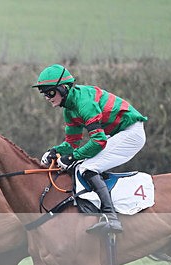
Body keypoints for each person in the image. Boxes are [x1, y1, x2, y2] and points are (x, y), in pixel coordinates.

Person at [34, 64, 148, 234]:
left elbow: (99, 141)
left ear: (63, 88)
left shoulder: (84, 103)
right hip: (117, 134)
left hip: (131, 133)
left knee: (87, 167)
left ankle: (111, 218)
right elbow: (72, 144)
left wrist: (72, 157)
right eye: (43, 93)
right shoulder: (70, 109)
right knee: (79, 165)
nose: (47, 97)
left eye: (50, 92)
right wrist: (56, 151)